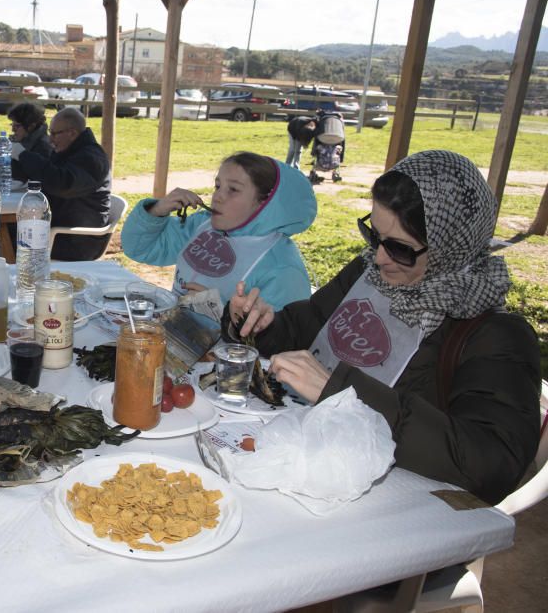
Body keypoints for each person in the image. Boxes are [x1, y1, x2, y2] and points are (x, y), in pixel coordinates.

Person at [227, 150, 540, 505]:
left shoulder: (493, 335)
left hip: (396, 511)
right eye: (373, 235)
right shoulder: (369, 273)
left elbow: (489, 465)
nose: (379, 257)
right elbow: (305, 328)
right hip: (309, 467)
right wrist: (259, 324)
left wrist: (341, 393)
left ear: (449, 245)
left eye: (400, 248)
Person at [121, 151, 317, 310]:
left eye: (233, 189)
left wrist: (222, 315)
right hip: (178, 336)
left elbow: (281, 342)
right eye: (217, 186)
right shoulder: (201, 225)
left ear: (265, 203)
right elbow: (140, 248)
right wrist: (157, 211)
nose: (217, 197)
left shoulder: (282, 268)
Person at [11, 107, 112, 260]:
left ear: (72, 133)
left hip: (78, 241)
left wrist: (23, 155)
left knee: (7, 236)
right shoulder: (70, 151)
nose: (50, 139)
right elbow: (44, 174)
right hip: (62, 229)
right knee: (6, 230)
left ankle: (21, 281)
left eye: (54, 134)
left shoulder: (91, 158)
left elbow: (61, 184)